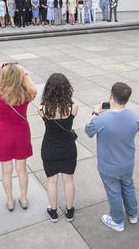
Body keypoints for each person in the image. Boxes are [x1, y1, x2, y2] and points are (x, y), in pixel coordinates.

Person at [85, 82, 139, 232]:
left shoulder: (101, 119)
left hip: (108, 166)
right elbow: (135, 128)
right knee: (128, 187)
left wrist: (95, 112)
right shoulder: (134, 117)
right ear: (127, 100)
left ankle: (117, 221)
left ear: (110, 96)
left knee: (114, 192)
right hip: (127, 163)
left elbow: (88, 130)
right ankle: (133, 214)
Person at [0, 62, 37, 211]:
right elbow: (34, 89)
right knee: (21, 169)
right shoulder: (26, 94)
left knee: (6, 170)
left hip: (2, 133)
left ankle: (10, 201)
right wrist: (23, 72)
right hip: (21, 133)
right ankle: (23, 198)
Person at [38, 73, 79, 223]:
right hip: (68, 148)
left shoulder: (42, 108)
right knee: (68, 180)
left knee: (52, 181)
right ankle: (69, 211)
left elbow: (46, 108)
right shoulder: (73, 107)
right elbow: (71, 103)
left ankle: (53, 212)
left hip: (49, 148)